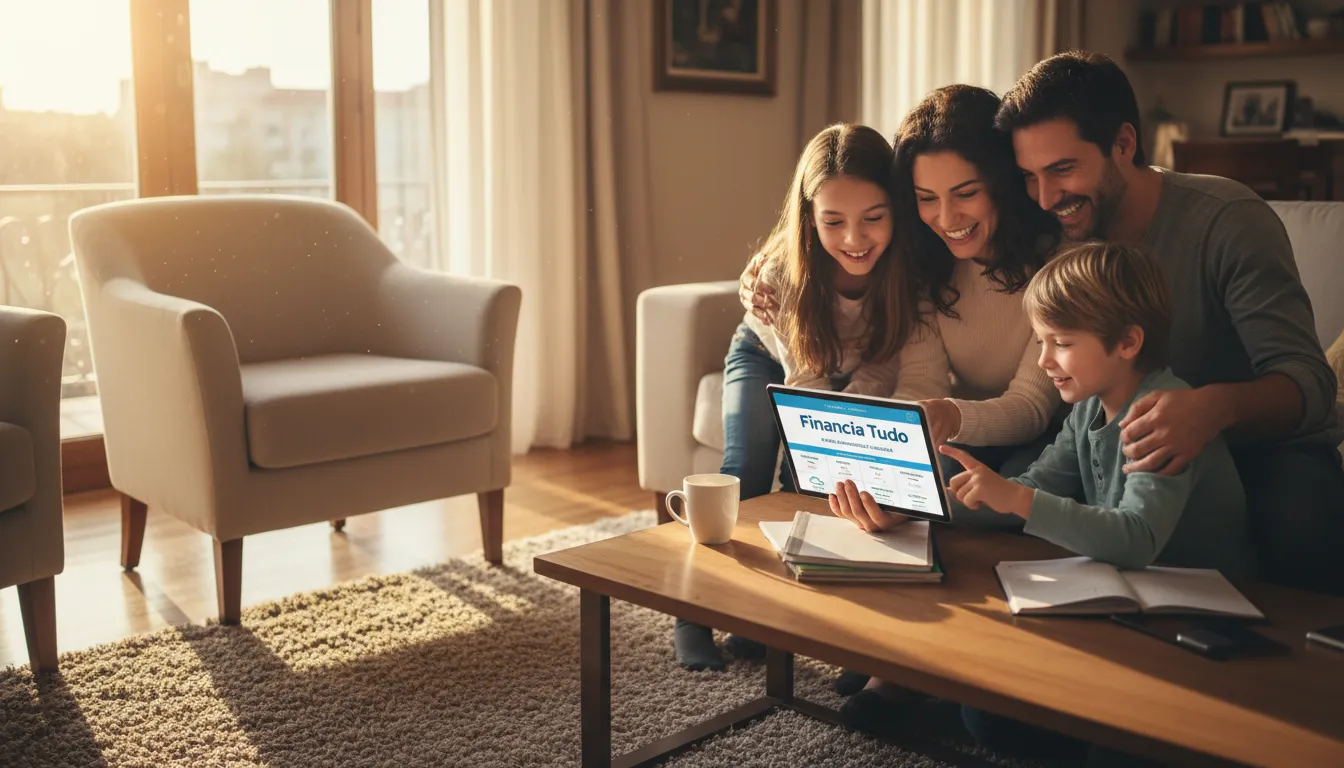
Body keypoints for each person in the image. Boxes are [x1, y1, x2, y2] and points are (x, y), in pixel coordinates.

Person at [995, 50, 1344, 595]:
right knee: (1012, 477)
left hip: (1262, 448)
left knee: (1299, 514)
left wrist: (1212, 409)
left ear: (1124, 144)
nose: (1045, 198)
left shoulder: (1228, 220)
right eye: (1029, 177)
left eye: (1062, 169)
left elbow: (1312, 385)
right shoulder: (1060, 233)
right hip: (1129, 443)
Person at [942, 240, 1254, 761]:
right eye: (1039, 341)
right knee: (984, 715)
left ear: (1128, 342)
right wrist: (922, 506)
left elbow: (1136, 539)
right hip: (1124, 604)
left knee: (1112, 753)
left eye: (1059, 343)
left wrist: (1016, 497)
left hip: (1199, 625)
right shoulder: (1088, 409)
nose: (1043, 361)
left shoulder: (1162, 418)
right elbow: (1038, 485)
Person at [674, 123, 919, 672]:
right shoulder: (782, 273)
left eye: (872, 218)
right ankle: (692, 614)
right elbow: (803, 379)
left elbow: (884, 367)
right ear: (809, 218)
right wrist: (829, 439)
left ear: (896, 209)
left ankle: (766, 618)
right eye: (833, 221)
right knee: (745, 472)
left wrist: (854, 424)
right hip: (771, 358)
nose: (854, 239)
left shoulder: (907, 271)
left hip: (855, 372)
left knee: (813, 491)